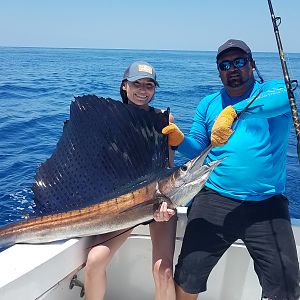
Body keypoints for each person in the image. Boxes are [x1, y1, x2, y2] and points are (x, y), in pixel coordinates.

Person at [162, 39, 300, 300]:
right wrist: (179, 141)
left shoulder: (273, 92)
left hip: (267, 203)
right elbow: (199, 150)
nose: (232, 68)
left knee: (286, 286)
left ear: (252, 64)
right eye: (225, 64)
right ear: (219, 71)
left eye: (239, 61)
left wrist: (234, 112)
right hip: (215, 197)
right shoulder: (208, 104)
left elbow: (290, 95)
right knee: (187, 276)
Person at [84, 61, 177, 300]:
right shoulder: (109, 119)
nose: (143, 90)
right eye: (137, 84)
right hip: (127, 204)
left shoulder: (164, 119)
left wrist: (165, 205)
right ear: (125, 86)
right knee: (94, 260)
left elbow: (168, 168)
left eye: (149, 85)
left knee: (164, 270)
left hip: (159, 201)